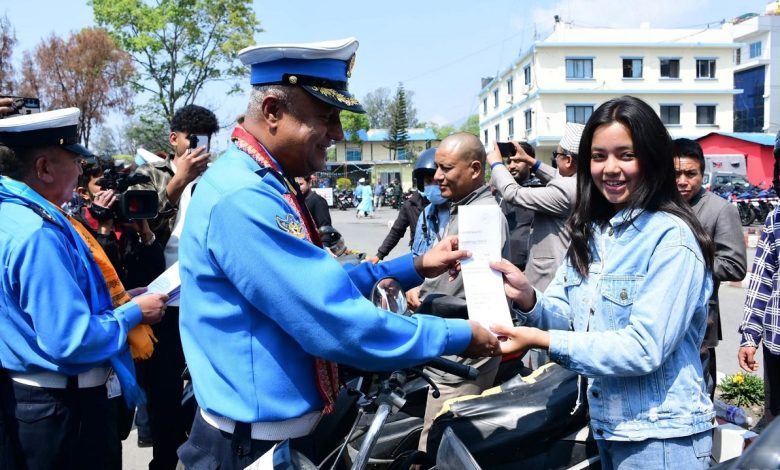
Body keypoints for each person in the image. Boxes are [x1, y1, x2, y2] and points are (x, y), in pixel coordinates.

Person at [176, 38, 500, 469]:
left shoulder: (262, 180)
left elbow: (314, 283)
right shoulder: (244, 197)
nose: (338, 134)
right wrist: (459, 335)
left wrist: (416, 265)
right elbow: (333, 319)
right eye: (326, 116)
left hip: (279, 436)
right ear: (272, 111)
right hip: (249, 448)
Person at [490, 96, 715, 470]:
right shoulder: (594, 232)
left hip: (661, 438)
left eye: (626, 155)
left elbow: (643, 348)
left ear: (653, 159)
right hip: (609, 428)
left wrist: (543, 340)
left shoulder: (671, 238)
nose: (610, 168)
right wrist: (528, 298)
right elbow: (566, 315)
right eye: (598, 156)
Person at [0, 108, 167, 469]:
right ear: (44, 168)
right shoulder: (39, 233)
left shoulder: (14, 214)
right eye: (75, 162)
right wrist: (133, 314)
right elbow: (69, 339)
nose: (81, 172)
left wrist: (121, 301)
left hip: (38, 405)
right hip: (64, 410)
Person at [132, 103, 219, 470]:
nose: (199, 149)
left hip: (204, 300)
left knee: (207, 390)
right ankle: (164, 461)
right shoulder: (149, 174)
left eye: (207, 142)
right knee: (163, 393)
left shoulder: (218, 179)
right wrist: (178, 180)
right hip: (160, 300)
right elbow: (141, 224)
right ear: (174, 139)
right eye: (192, 140)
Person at [413, 132, 510, 453]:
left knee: (435, 447)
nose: (437, 176)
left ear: (475, 169)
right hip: (453, 345)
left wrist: (421, 296)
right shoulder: (463, 209)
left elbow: (460, 289)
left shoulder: (480, 217)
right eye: (437, 168)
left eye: (446, 168)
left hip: (461, 356)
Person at [673, 138, 747, 400]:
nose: (683, 181)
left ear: (702, 174)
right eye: (676, 174)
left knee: (698, 396)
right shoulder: (656, 205)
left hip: (700, 321)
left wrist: (684, 261)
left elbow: (735, 266)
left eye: (690, 174)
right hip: (657, 320)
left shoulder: (720, 210)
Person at [487, 122, 583, 292]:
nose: (555, 159)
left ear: (568, 160)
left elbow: (513, 193)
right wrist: (531, 161)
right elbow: (558, 177)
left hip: (550, 281)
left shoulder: (566, 190)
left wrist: (496, 165)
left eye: (556, 154)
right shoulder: (582, 183)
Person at [374, 148, 437, 261]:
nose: (433, 185)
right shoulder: (410, 205)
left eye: (437, 182)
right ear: (421, 183)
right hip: (419, 258)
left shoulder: (451, 204)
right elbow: (396, 231)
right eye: (428, 181)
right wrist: (379, 255)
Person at [496, 141, 538, 271]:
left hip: (528, 267)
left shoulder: (541, 191)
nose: (511, 166)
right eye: (509, 162)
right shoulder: (499, 192)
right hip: (500, 262)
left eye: (517, 161)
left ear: (529, 163)